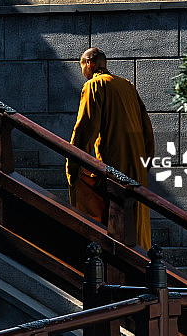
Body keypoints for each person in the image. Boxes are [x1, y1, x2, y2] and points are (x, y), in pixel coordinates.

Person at [65, 47, 155, 250]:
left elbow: (84, 130)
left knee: (114, 219)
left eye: (82, 67)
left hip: (113, 164)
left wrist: (74, 166)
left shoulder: (94, 86)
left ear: (89, 63)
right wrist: (144, 163)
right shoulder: (127, 85)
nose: (83, 73)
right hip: (136, 166)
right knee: (136, 222)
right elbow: (147, 128)